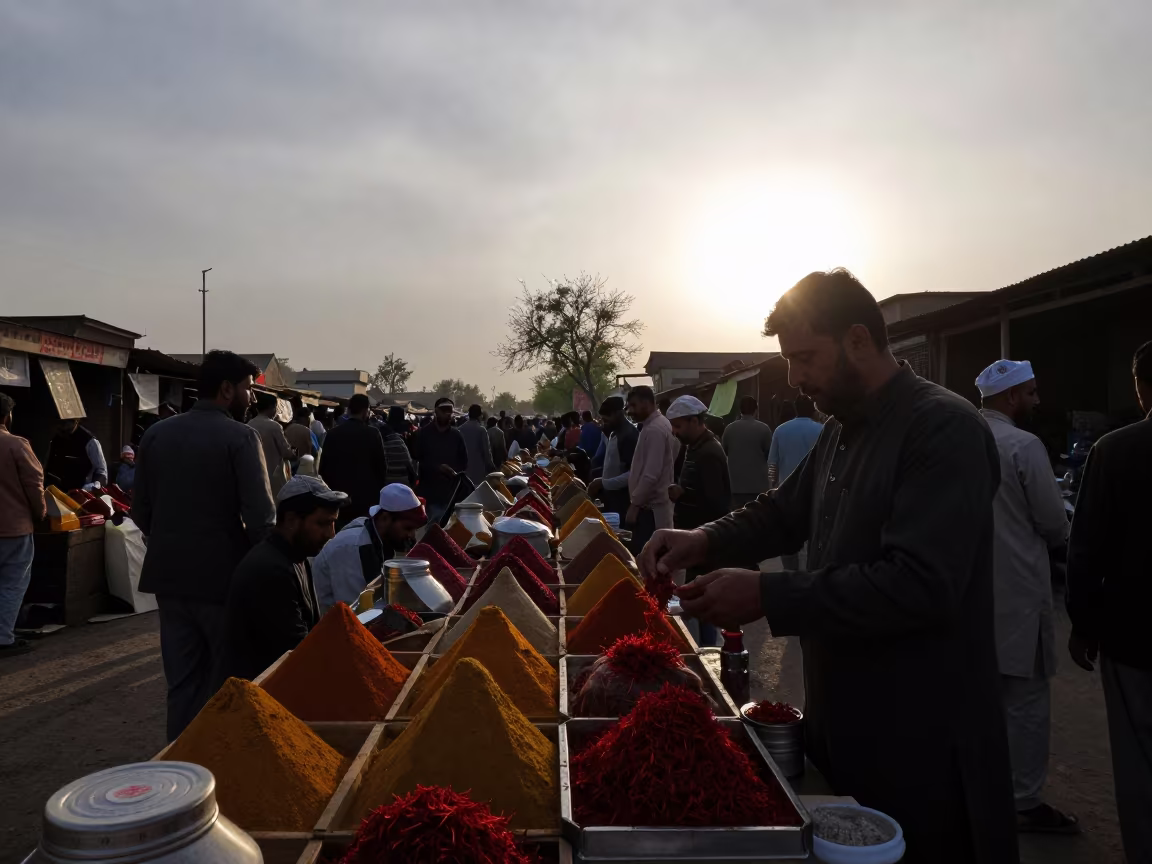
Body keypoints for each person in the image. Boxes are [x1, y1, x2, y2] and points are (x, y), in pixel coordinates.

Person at [643, 269, 1017, 863]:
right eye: (789, 361)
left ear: (859, 340)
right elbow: (778, 514)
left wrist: (769, 595)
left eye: (806, 358)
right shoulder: (840, 430)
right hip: (845, 718)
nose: (794, 378)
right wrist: (701, 540)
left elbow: (918, 586)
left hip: (922, 733)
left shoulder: (942, 429)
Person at [133, 350, 276, 740]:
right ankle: (222, 762)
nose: (251, 397)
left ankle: (179, 763)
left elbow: (140, 511)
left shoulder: (156, 434)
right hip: (221, 579)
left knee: (181, 683)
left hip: (169, 579)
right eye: (247, 389)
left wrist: (168, 539)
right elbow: (262, 519)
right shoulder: (241, 437)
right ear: (227, 389)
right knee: (228, 679)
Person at [976, 359, 1077, 833]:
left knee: (982, 698)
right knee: (1026, 702)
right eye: (1031, 393)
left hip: (970, 595)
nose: (1037, 401)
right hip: (1018, 591)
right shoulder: (1024, 445)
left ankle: (983, 786)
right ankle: (1023, 801)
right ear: (1011, 397)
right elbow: (1054, 524)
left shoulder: (959, 438)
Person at [1066, 340, 1152, 863]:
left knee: (1138, 758)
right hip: (1131, 631)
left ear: (1141, 386)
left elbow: (1085, 546)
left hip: (1133, 634)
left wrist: (1082, 623)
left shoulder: (1116, 450)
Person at [219, 476, 348, 682]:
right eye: (323, 523)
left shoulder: (297, 556)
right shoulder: (270, 570)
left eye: (333, 523)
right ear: (291, 520)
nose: (331, 534)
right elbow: (295, 654)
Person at [666, 394, 731, 647]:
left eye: (679, 426)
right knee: (697, 598)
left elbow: (717, 503)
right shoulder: (693, 448)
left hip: (705, 538)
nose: (675, 432)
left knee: (706, 602)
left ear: (695, 421)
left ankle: (709, 651)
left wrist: (684, 494)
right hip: (693, 537)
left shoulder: (710, 452)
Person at [311, 484, 428, 612]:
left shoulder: (378, 537)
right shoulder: (351, 547)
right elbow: (354, 610)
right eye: (407, 529)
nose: (411, 536)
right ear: (384, 518)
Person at [0, 394, 45, 657]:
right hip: (13, 529)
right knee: (11, 583)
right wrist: (39, 514)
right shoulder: (16, 445)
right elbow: (34, 484)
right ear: (7, 416)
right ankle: (4, 638)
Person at [318, 393, 390, 528]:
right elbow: (381, 469)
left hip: (339, 500)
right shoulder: (373, 434)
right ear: (365, 411)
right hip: (365, 501)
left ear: (349, 410)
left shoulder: (333, 434)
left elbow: (323, 469)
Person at [768, 394, 823, 570]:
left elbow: (772, 463)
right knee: (813, 535)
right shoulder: (822, 430)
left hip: (787, 491)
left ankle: (790, 573)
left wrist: (772, 486)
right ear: (813, 409)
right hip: (816, 491)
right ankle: (810, 573)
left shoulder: (780, 430)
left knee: (788, 535)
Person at [625, 386, 678, 555]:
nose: (630, 411)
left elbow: (651, 475)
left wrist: (634, 505)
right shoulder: (656, 425)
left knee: (651, 560)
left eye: (634, 405)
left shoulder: (655, 429)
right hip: (652, 506)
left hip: (652, 510)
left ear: (647, 403)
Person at [410, 398, 468, 522]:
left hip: (450, 495)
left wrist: (454, 472)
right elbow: (416, 461)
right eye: (444, 410)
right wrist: (436, 468)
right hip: (428, 493)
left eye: (450, 411)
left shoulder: (456, 436)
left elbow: (464, 463)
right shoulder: (423, 434)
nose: (447, 414)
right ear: (436, 411)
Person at [586, 396, 638, 518]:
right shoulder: (614, 432)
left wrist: (604, 483)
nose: (604, 424)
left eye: (607, 420)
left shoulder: (629, 435)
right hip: (612, 497)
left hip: (624, 499)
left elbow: (633, 473)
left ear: (618, 414)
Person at [722, 396, 773, 508]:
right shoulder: (764, 429)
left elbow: (724, 452)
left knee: (736, 520)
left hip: (735, 486)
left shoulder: (729, 429)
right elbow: (769, 455)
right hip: (758, 486)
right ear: (756, 410)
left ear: (740, 410)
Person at [248, 392, 292, 498]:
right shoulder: (274, 426)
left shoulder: (249, 425)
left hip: (255, 474)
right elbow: (286, 452)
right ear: (273, 407)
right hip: (274, 475)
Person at [45, 417, 107, 490]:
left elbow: (101, 471)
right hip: (58, 491)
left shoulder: (90, 441)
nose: (64, 427)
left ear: (76, 421)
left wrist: (95, 484)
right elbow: (47, 467)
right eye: (61, 423)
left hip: (81, 492)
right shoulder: (55, 441)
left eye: (66, 423)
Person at [460, 404, 496, 485]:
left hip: (464, 474)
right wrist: (492, 467)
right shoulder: (481, 430)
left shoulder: (460, 429)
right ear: (480, 416)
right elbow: (487, 453)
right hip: (478, 473)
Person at [381, 414, 417, 488]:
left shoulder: (380, 439)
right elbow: (408, 463)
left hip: (384, 484)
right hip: (401, 484)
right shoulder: (399, 441)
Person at [284, 407, 316, 472]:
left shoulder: (288, 428)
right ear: (307, 418)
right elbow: (315, 450)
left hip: (288, 464)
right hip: (302, 466)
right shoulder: (307, 431)